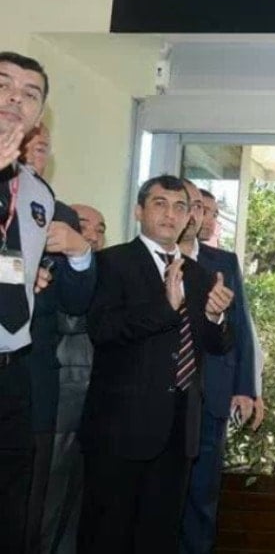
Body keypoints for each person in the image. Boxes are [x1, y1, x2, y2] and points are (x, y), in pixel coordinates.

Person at [78, 174, 234, 553]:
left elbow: (215, 346)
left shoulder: (199, 275)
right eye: (160, 204)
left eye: (180, 206)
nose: (170, 214)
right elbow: (103, 329)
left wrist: (215, 317)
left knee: (160, 538)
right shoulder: (111, 263)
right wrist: (165, 307)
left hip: (179, 430)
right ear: (139, 211)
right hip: (120, 430)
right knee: (107, 537)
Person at [0, 51, 88, 553]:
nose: (16, 98)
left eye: (30, 94)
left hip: (14, 373)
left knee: (14, 519)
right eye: (4, 85)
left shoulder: (37, 193)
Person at [20, 124, 97, 553]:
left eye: (41, 148)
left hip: (33, 380)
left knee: (32, 502)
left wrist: (79, 252)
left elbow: (78, 301)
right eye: (23, 145)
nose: (31, 155)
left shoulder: (57, 213)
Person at [179, 179, 264, 554]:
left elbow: (241, 328)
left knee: (202, 498)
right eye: (186, 204)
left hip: (211, 395)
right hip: (159, 399)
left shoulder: (223, 263)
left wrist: (245, 388)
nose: (192, 214)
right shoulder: (153, 259)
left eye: (199, 207)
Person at [41, 203, 105, 554]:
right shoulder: (51, 266)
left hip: (93, 404)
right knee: (47, 499)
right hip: (58, 398)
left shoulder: (104, 270)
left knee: (76, 505)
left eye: (100, 229)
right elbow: (70, 316)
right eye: (83, 226)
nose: (92, 235)